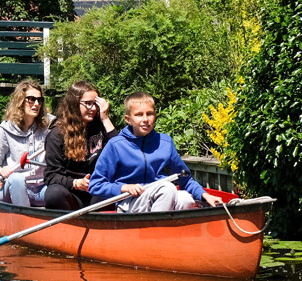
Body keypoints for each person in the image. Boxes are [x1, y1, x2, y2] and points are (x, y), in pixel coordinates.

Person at [89, 91, 222, 212]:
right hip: (130, 201)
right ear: (128, 120)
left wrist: (205, 196)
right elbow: (95, 185)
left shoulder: (165, 142)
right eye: (139, 115)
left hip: (161, 196)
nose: (145, 119)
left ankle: (172, 233)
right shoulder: (116, 145)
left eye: (150, 114)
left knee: (186, 199)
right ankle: (154, 232)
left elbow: (185, 178)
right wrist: (125, 188)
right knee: (168, 189)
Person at [43, 81, 118, 210]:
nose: (93, 108)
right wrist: (76, 183)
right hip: (72, 192)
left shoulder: (101, 127)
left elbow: (120, 152)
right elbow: (51, 176)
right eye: (88, 103)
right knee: (53, 194)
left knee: (114, 189)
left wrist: (105, 119)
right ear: (74, 104)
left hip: (97, 191)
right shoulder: (56, 134)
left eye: (96, 104)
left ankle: (100, 224)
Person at [0, 80, 51, 206]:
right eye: (31, 99)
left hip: (41, 189)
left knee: (59, 191)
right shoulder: (6, 128)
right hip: (14, 188)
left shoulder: (49, 125)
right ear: (21, 101)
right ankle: (24, 218)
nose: (37, 104)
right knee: (17, 178)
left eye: (40, 100)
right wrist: (0, 171)